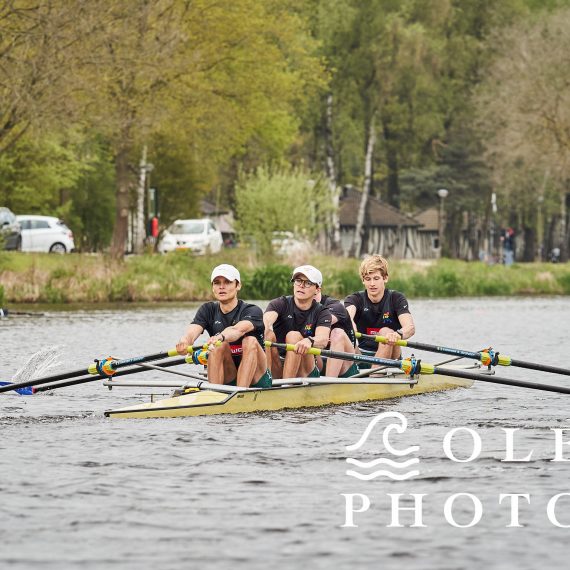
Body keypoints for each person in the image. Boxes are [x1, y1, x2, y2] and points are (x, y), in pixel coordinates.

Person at [176, 264, 271, 388]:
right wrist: (185, 342)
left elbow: (237, 330)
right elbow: (191, 332)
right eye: (217, 283)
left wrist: (220, 337)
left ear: (238, 285)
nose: (221, 287)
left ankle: (240, 393)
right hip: (229, 373)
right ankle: (214, 394)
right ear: (213, 288)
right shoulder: (207, 309)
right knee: (218, 346)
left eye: (227, 282)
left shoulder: (252, 310)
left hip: (257, 378)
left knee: (250, 341)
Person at [264, 265, 332, 379]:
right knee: (267, 334)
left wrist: (309, 340)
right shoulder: (279, 303)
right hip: (279, 363)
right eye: (298, 281)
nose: (301, 285)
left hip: (305, 367)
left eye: (308, 283)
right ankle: (266, 381)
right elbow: (266, 321)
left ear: (317, 290)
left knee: (293, 336)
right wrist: (263, 327)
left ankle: (286, 386)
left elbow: (323, 339)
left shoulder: (322, 312)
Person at [344, 255, 415, 363]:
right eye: (368, 279)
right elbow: (348, 315)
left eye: (376, 278)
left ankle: (375, 372)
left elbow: (410, 327)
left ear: (385, 278)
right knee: (341, 331)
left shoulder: (396, 298)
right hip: (362, 355)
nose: (372, 284)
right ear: (363, 280)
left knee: (385, 331)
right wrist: (349, 324)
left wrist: (397, 335)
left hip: (391, 356)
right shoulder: (354, 299)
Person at [314, 290, 358, 378]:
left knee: (337, 333)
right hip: (319, 361)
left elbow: (324, 322)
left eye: (307, 284)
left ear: (317, 289)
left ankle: (329, 384)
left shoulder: (335, 306)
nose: (302, 287)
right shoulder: (294, 305)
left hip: (345, 363)